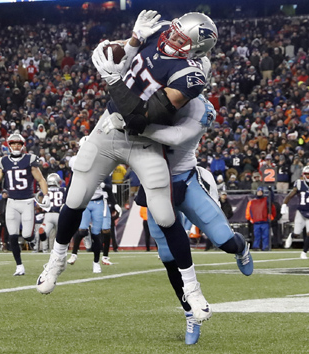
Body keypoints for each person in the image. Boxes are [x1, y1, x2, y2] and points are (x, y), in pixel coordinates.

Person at [37, 10, 217, 323]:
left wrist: (112, 78)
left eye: (180, 38)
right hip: (108, 131)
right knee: (75, 197)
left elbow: (140, 116)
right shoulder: (159, 29)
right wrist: (132, 41)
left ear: (195, 50)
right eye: (173, 31)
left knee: (163, 214)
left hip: (145, 139)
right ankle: (56, 260)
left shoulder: (191, 76)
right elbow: (107, 53)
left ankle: (192, 288)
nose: (170, 37)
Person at [139, 94, 253, 344]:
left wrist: (140, 124)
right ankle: (190, 313)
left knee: (224, 241)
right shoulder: (146, 97)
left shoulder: (198, 107)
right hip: (155, 187)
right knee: (170, 259)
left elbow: (176, 136)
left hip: (186, 181)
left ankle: (240, 245)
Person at [0, 133, 50, 276]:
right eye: (13, 143)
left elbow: (40, 179)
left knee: (27, 235)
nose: (16, 146)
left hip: (27, 201)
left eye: (18, 144)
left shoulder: (29, 159)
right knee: (12, 236)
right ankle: (19, 266)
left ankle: (39, 236)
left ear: (23, 145)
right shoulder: (4, 161)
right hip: (12, 202)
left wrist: (46, 195)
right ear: (9, 145)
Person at [281, 165, 309, 259]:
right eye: (307, 174)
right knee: (297, 232)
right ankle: (292, 235)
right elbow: (290, 195)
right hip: (301, 212)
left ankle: (304, 252)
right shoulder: (299, 184)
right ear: (303, 175)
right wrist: (284, 204)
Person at [66, 183, 107, 273]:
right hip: (85, 202)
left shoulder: (102, 170)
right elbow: (72, 184)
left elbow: (109, 185)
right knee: (82, 230)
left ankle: (96, 262)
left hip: (98, 203)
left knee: (96, 234)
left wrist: (104, 185)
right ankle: (74, 254)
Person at [41, 173, 66, 253]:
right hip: (59, 214)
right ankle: (58, 251)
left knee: (45, 233)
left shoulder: (45, 190)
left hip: (48, 214)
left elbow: (40, 201)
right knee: (60, 235)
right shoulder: (63, 190)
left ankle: (44, 250)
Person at [246, 187, 276, 251]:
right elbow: (250, 210)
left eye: (260, 192)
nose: (259, 193)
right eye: (258, 192)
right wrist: (251, 218)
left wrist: (271, 191)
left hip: (264, 221)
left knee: (265, 236)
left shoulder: (265, 200)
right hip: (256, 221)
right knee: (257, 236)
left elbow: (272, 199)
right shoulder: (252, 201)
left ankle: (265, 247)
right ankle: (256, 246)